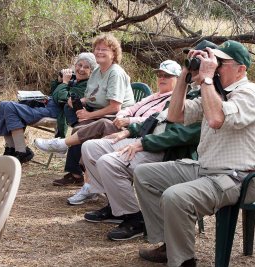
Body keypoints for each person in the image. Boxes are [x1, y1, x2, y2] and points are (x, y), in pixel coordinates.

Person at [134, 40, 255, 267]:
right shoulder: (214, 93)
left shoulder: (250, 92)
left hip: (241, 178)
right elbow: (174, 115)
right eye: (212, 61)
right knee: (144, 174)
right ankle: (169, 245)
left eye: (220, 62)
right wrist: (185, 77)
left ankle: (184, 261)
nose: (214, 66)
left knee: (176, 196)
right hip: (207, 171)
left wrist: (206, 79)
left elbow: (217, 119)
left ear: (241, 69)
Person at [79, 73, 206, 240]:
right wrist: (129, 131)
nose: (194, 71)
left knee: (108, 162)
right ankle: (116, 207)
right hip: (146, 140)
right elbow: (157, 119)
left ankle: (135, 219)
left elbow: (184, 135)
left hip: (166, 150)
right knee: (91, 147)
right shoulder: (190, 94)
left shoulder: (210, 99)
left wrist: (144, 143)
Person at [34, 59, 181, 197]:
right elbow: (131, 108)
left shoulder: (173, 100)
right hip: (124, 126)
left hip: (137, 135)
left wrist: (129, 120)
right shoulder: (155, 96)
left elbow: (155, 120)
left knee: (102, 123)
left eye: (167, 76)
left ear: (178, 80)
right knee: (82, 126)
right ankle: (87, 182)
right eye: (159, 75)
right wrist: (122, 115)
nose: (162, 78)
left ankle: (63, 146)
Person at [37, 33, 135, 184]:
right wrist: (77, 101)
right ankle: (78, 174)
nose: (99, 52)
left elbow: (115, 107)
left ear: (114, 53)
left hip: (117, 119)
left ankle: (64, 147)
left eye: (105, 49)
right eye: (97, 48)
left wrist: (88, 115)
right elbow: (91, 97)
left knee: (82, 127)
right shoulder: (96, 71)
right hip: (99, 113)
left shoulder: (115, 73)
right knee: (77, 120)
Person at [0, 52, 97, 163]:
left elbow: (62, 98)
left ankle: (22, 152)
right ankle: (11, 148)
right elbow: (54, 92)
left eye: (86, 67)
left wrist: (64, 82)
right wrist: (59, 80)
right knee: (3, 105)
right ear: (75, 65)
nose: (81, 69)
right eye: (79, 65)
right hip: (46, 106)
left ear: (91, 71)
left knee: (10, 107)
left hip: (55, 112)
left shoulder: (86, 85)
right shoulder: (74, 80)